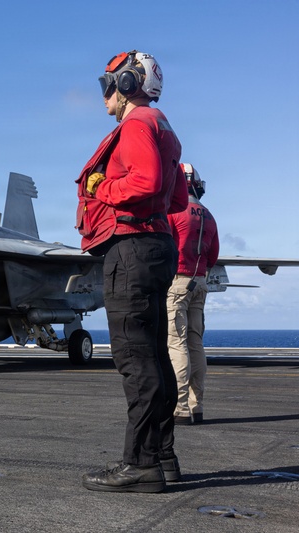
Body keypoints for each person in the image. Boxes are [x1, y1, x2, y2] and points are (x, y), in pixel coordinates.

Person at [75, 50, 189, 493]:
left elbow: (144, 182)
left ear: (127, 84)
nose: (105, 94)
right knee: (155, 356)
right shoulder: (164, 128)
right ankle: (162, 456)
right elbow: (176, 200)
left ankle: (139, 464)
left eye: (108, 84)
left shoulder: (137, 124)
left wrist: (104, 188)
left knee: (135, 359)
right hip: (158, 245)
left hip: (133, 248)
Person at [167, 164, 219, 425]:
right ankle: (197, 407)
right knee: (195, 344)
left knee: (177, 343)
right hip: (200, 283)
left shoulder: (172, 211)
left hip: (176, 282)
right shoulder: (208, 215)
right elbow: (213, 256)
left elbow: (163, 246)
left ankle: (180, 407)